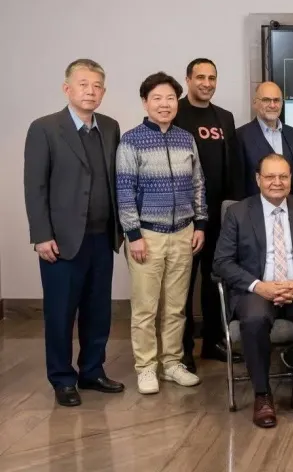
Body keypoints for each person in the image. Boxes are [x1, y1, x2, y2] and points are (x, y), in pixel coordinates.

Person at [23, 59, 125, 407]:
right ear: (67, 88)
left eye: (97, 85)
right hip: (61, 240)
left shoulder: (110, 127)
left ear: (103, 91)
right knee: (60, 313)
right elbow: (35, 186)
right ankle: (62, 378)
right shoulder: (44, 128)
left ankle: (92, 371)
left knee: (98, 311)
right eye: (83, 84)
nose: (90, 91)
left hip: (102, 237)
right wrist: (41, 235)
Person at [213, 153, 293, 429]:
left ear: (291, 179)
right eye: (270, 176)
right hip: (257, 290)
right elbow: (222, 262)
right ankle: (262, 394)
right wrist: (259, 286)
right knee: (254, 319)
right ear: (258, 179)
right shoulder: (238, 212)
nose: (277, 182)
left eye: (283, 176)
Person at [117, 71, 207, 394]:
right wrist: (133, 235)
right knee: (145, 308)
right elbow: (124, 191)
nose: (164, 104)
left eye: (170, 98)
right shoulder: (131, 141)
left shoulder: (186, 139)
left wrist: (200, 223)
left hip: (183, 232)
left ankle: (171, 363)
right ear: (145, 102)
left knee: (176, 306)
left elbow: (198, 184)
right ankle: (145, 367)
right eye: (157, 98)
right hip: (147, 236)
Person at [173, 58, 244, 372]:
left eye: (212, 77)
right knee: (183, 286)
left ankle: (214, 340)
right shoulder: (175, 112)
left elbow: (234, 167)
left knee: (216, 280)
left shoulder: (224, 117)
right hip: (185, 216)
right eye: (200, 77)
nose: (206, 83)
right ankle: (183, 348)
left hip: (219, 215)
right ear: (188, 79)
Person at [238, 81, 293, 196]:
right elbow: (237, 183)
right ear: (255, 103)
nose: (272, 105)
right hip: (255, 205)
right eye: (266, 100)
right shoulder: (241, 136)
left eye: (277, 100)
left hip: (292, 204)